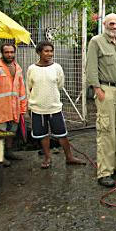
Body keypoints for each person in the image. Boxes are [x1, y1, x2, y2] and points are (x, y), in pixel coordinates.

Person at [86, 13, 116, 188]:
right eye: (111, 23)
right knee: (106, 131)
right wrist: (97, 88)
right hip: (106, 89)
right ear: (104, 24)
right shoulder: (96, 42)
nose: (114, 26)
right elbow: (90, 68)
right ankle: (104, 172)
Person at [27, 41, 85, 169]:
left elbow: (60, 84)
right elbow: (29, 87)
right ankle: (47, 157)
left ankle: (69, 157)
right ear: (39, 52)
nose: (49, 54)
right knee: (43, 135)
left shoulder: (57, 67)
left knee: (61, 134)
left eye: (51, 51)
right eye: (46, 51)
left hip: (54, 107)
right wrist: (29, 106)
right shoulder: (32, 69)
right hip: (37, 108)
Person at [0, 43, 27, 166]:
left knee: (11, 131)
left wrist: (23, 107)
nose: (9, 54)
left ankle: (8, 152)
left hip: (15, 108)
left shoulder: (17, 67)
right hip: (0, 108)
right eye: (7, 52)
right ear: (2, 53)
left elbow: (21, 89)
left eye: (12, 52)